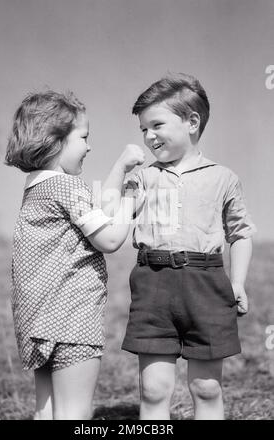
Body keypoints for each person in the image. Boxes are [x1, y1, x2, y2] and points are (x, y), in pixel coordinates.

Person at [102, 73, 256, 420]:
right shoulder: (142, 178)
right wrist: (120, 167)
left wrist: (239, 282)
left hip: (207, 286)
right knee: (154, 390)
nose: (148, 136)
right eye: (143, 129)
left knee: (207, 387)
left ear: (191, 121)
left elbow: (241, 233)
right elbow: (110, 216)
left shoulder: (223, 178)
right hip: (152, 284)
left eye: (156, 124)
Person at [5, 90, 144, 420]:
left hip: (38, 321)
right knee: (75, 413)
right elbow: (109, 237)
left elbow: (97, 213)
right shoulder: (66, 189)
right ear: (55, 141)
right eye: (84, 137)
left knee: (47, 411)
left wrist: (120, 167)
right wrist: (128, 203)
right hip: (73, 320)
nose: (89, 146)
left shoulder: (37, 190)